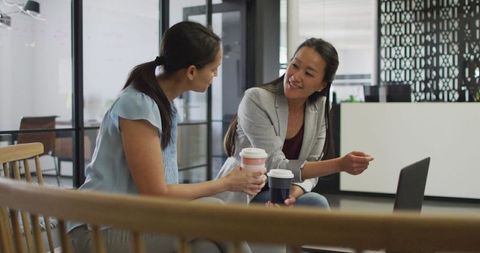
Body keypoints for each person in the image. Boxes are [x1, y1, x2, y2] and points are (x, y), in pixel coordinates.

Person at [68, 21, 264, 253]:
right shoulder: (138, 104)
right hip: (98, 231)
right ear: (191, 71)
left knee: (205, 247)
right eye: (213, 69)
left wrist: (228, 184)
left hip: (136, 221)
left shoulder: (164, 107)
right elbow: (158, 192)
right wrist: (226, 183)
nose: (216, 75)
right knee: (215, 210)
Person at [216, 38, 374, 208]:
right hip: (247, 193)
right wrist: (339, 165)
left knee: (314, 202)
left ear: (322, 85)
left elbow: (313, 164)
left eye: (309, 73)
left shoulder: (320, 107)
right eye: (295, 65)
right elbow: (273, 163)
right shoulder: (256, 99)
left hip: (284, 191)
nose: (296, 76)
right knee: (316, 203)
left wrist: (295, 190)